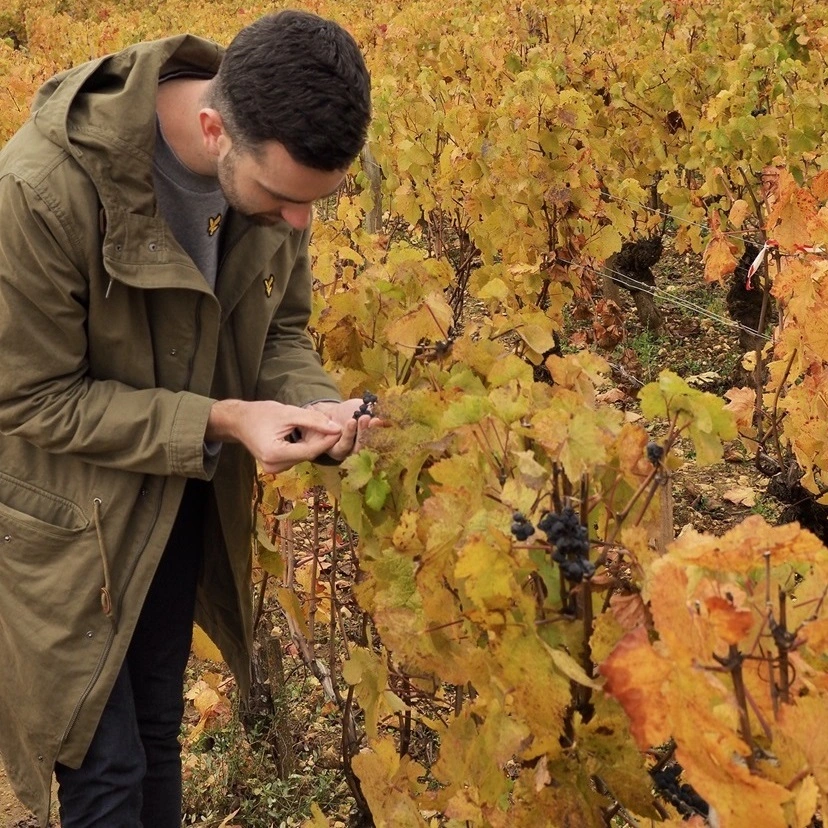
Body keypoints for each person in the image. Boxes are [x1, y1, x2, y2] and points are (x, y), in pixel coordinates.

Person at [0, 10, 373, 827]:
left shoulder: (272, 171)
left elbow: (277, 328)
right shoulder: (39, 191)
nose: (299, 221)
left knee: (159, 731)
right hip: (66, 524)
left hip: (176, 492)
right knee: (104, 768)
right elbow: (30, 398)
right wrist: (222, 417)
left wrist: (314, 401)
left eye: (317, 201)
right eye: (283, 197)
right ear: (213, 128)